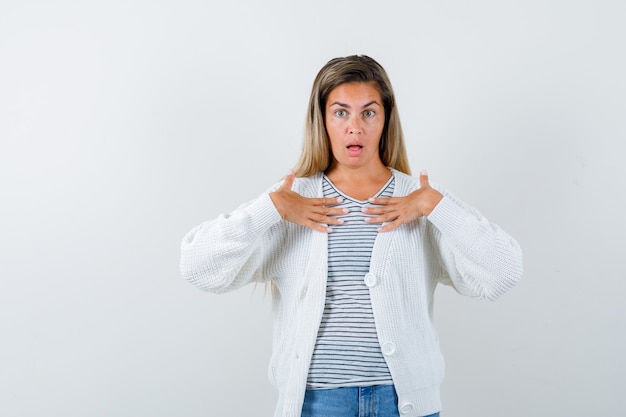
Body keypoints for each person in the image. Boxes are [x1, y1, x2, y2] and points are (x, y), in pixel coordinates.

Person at [179, 55, 523, 417]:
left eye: (369, 112)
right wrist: (270, 208)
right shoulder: (292, 201)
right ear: (323, 120)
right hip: (316, 404)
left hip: (403, 404)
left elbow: (505, 271)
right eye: (341, 113)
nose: (355, 128)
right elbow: (197, 266)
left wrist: (436, 205)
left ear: (386, 119)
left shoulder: (418, 200)